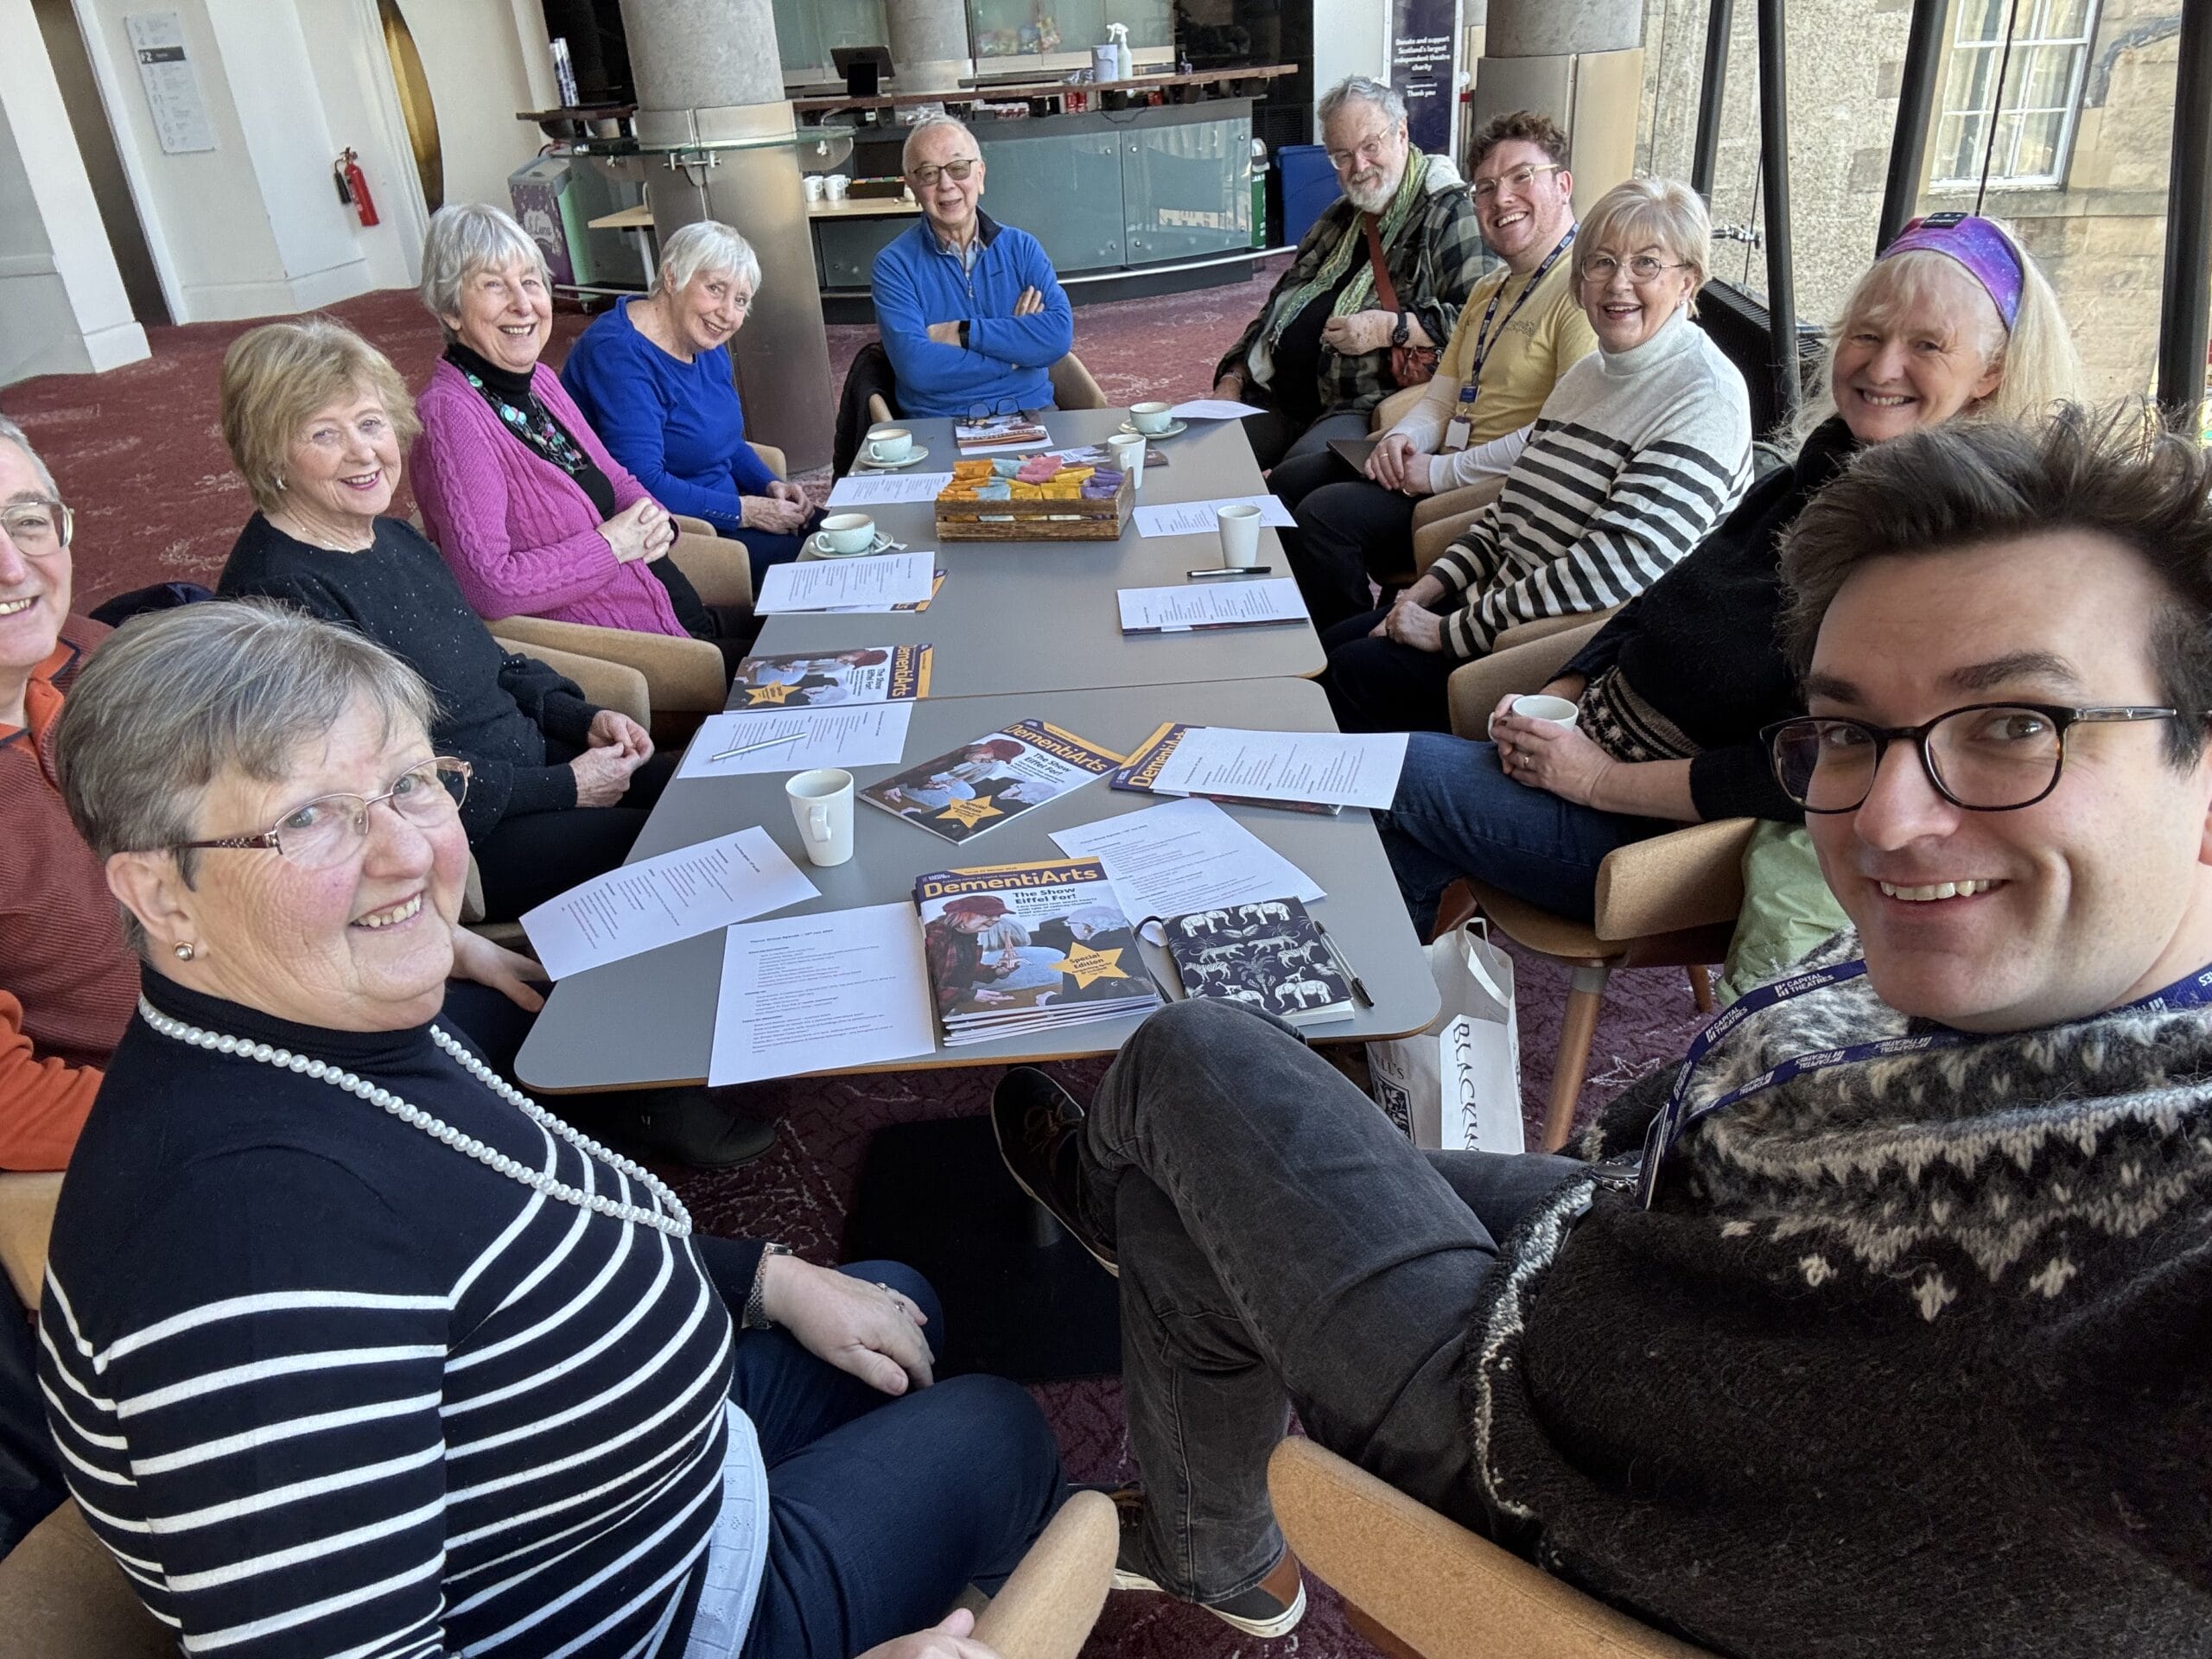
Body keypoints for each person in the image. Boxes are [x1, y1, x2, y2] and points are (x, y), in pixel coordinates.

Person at [991, 406, 2212, 1650]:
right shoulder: (2014, 979)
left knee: (1190, 1056)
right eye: (1849, 733)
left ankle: (1109, 1198)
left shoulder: (2169, 1202)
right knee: (1193, 1188)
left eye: (2015, 725)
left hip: (1532, 1438)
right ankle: (1215, 1542)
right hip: (1631, 1240)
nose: (1890, 822)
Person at [39, 601, 1066, 1657]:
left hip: (635, 1485)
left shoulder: (314, 1033)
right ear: (163, 896)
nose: (406, 852)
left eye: (409, 783)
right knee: (995, 1427)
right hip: (656, 1616)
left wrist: (763, 1279)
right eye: (308, 819)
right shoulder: (244, 1246)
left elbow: (509, 1235)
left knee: (900, 1298)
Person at [1378, 210, 2084, 933]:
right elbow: (1654, 601)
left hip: (1647, 839)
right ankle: (1389, 981)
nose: (1881, 368)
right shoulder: (1809, 480)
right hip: (1581, 757)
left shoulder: (1933, 559)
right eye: (1867, 336)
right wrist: (1561, 691)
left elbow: (1808, 766)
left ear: (1991, 371)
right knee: (1398, 823)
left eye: (1927, 345)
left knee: (1384, 776)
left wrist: (1596, 778)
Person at [215, 316, 680, 926]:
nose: (364, 452)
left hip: (533, 767)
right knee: (684, 846)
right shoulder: (281, 595)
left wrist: (582, 718)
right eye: (324, 434)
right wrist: (567, 787)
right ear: (271, 454)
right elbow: (381, 784)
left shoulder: (391, 536)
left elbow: (492, 666)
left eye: (371, 423)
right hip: (465, 836)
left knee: (708, 788)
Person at [1319, 177, 1752, 735]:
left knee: (1346, 677)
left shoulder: (1704, 398)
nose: (1618, 283)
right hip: (1493, 609)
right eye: (1601, 262)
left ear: (1687, 280)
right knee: (1326, 651)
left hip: (1543, 653)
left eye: (1646, 263)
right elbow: (1507, 514)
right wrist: (1426, 591)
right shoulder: (1588, 374)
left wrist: (1446, 632)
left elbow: (1607, 574)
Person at [1270, 111, 1598, 631]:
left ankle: (1343, 642)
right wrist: (1402, 439)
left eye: (1521, 177)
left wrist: (1438, 472)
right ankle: (1297, 625)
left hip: (1488, 491)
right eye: (1486, 188)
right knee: (1289, 482)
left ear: (1562, 185)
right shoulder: (1489, 290)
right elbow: (1444, 397)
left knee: (1323, 518)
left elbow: (1557, 438)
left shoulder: (1581, 294)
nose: (1501, 199)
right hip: (1440, 460)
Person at [408, 203, 753, 679]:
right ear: (451, 309)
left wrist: (655, 520)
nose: (523, 304)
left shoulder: (539, 382)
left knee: (824, 624)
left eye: (531, 282)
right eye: (493, 285)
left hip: (675, 612)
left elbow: (615, 477)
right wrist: (611, 545)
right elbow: (490, 586)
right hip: (641, 655)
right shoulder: (452, 418)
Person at [1214, 76, 1484, 470]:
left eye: (1370, 146)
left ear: (1402, 133)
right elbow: (1277, 308)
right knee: (1203, 452)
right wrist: (1233, 379)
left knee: (1295, 478)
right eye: (1342, 155)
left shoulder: (1447, 215)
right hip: (1277, 396)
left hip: (1361, 406)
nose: (1359, 166)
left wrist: (1388, 328)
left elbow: (1479, 322)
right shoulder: (1339, 217)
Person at [561, 219, 824, 589]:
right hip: (682, 536)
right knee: (827, 568)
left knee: (856, 536)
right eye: (715, 289)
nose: (727, 313)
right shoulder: (618, 353)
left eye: (740, 300)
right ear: (672, 278)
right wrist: (746, 511)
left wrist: (769, 485)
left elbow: (726, 442)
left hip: (727, 511)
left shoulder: (702, 340)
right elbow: (641, 484)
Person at [872, 115, 1074, 419]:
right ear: (911, 186)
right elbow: (918, 367)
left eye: (958, 168)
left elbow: (1056, 337)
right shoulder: (893, 266)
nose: (946, 184)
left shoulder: (1021, 248)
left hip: (1032, 413)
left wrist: (963, 332)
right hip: (940, 425)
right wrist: (1014, 356)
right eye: (928, 173)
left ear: (980, 175)